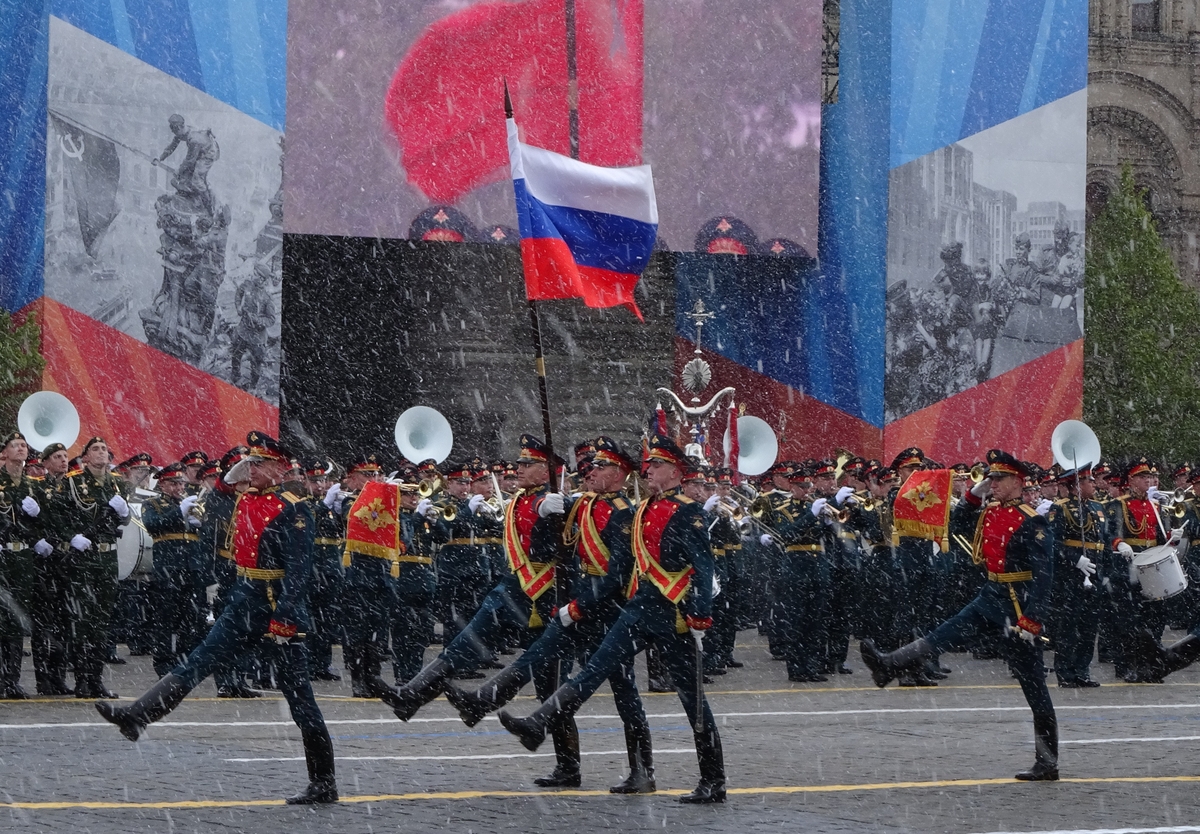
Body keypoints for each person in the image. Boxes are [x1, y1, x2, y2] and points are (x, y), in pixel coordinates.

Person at [96, 431, 337, 805]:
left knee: (298, 695)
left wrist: (286, 617)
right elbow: (225, 487)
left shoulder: (294, 506)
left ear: (278, 467)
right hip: (245, 599)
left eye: (259, 463)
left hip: (276, 604)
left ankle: (324, 781)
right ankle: (138, 715)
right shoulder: (245, 499)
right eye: (250, 463)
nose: (251, 469)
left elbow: (300, 570)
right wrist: (242, 470)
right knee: (199, 661)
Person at [498, 434, 725, 803]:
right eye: (648, 464)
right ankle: (539, 721)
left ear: (674, 471)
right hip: (639, 606)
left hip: (673, 612)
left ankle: (713, 779)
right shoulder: (643, 508)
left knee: (692, 700)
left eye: (655, 465)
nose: (648, 470)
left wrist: (699, 616)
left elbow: (703, 566)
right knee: (593, 671)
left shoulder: (688, 511)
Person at [445, 436, 656, 793]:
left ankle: (642, 770)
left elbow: (616, 575)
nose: (590, 471)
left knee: (624, 692)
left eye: (599, 466)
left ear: (619, 473)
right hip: (579, 605)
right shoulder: (583, 504)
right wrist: (549, 513)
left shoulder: (623, 512)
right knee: (538, 656)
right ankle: (556, 757)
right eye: (589, 465)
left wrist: (577, 605)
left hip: (608, 611)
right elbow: (557, 548)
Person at [371, 434, 580, 787]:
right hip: (513, 591)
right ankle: (411, 695)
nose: (520, 469)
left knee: (549, 685)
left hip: (547, 598)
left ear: (548, 470)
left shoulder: (557, 503)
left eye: (528, 464)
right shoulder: (520, 501)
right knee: (464, 642)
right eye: (521, 463)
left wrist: (551, 515)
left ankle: (568, 765)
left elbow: (550, 553)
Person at [861, 449, 1059, 781]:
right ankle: (889, 663)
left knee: (1033, 685)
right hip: (991, 595)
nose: (992, 485)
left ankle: (1048, 761)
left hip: (1016, 603)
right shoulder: (992, 511)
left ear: (1017, 482)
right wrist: (970, 498)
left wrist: (1033, 618)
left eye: (998, 480)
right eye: (991, 479)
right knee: (944, 634)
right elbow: (957, 525)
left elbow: (1045, 575)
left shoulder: (1032, 519)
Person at [47, 436, 129, 699]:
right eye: (96, 449)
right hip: (84, 558)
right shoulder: (73, 482)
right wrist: (71, 536)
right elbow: (55, 514)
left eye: (105, 449)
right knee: (82, 620)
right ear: (85, 458)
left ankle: (96, 679)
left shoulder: (117, 484)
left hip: (107, 558)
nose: (102, 453)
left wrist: (125, 512)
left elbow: (125, 522)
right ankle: (82, 679)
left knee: (101, 621)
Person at [141, 463, 207, 680]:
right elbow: (153, 525)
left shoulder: (193, 503)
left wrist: (200, 523)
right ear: (163, 484)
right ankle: (164, 664)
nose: (179, 487)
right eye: (174, 483)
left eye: (181, 483)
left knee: (192, 618)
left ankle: (186, 662)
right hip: (169, 566)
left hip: (192, 565)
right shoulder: (152, 503)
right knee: (167, 618)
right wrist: (179, 512)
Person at [0, 431, 39, 698]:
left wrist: (37, 518)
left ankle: (11, 679)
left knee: (16, 619)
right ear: (4, 453)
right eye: (15, 445)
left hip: (23, 558)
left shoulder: (32, 485)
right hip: (3, 556)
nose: (21, 449)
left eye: (24, 445)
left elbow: (41, 523)